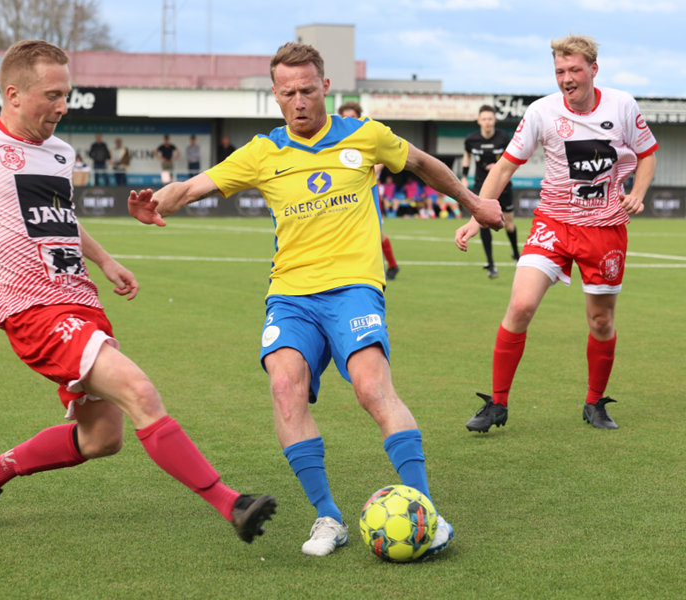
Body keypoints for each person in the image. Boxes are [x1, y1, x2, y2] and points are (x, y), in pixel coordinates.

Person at [0, 39, 276, 542]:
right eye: (52, 95)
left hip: (82, 305)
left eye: (66, 94)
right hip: (34, 311)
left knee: (102, 438)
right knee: (140, 391)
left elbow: (61, 220)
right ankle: (231, 504)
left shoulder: (59, 152)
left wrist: (106, 260)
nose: (63, 106)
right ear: (14, 94)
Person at [129, 42, 503, 557]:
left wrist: (474, 201)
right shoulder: (263, 152)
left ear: (325, 87)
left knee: (373, 389)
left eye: (308, 89)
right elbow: (195, 186)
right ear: (276, 96)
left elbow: (422, 163)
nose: (300, 100)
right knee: (285, 388)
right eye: (288, 93)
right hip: (291, 296)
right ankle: (327, 517)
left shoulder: (364, 135)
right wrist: (155, 202)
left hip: (354, 289)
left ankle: (425, 510)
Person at [456, 35, 657, 432]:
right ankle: (497, 404)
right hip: (554, 224)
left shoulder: (622, 105)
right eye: (560, 71)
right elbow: (503, 168)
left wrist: (637, 192)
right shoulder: (541, 112)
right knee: (520, 306)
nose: (567, 78)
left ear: (593, 70)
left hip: (605, 230)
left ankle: (595, 402)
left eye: (574, 70)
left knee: (601, 321)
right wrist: (476, 215)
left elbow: (648, 153)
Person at [338, 101, 400, 280]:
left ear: (359, 118)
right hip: (344, 195)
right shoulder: (336, 141)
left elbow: (382, 159)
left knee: (375, 233)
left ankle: (392, 266)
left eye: (353, 117)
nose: (349, 120)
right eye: (345, 117)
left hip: (368, 193)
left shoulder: (368, 138)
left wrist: (373, 169)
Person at [462, 105, 522, 279]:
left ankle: (516, 255)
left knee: (509, 225)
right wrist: (464, 176)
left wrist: (499, 167)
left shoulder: (503, 138)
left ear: (495, 120)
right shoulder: (471, 140)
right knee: (482, 222)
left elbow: (513, 158)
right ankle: (490, 263)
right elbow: (467, 155)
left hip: (502, 185)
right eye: (484, 119)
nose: (487, 122)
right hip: (481, 186)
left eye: (490, 118)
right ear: (479, 121)